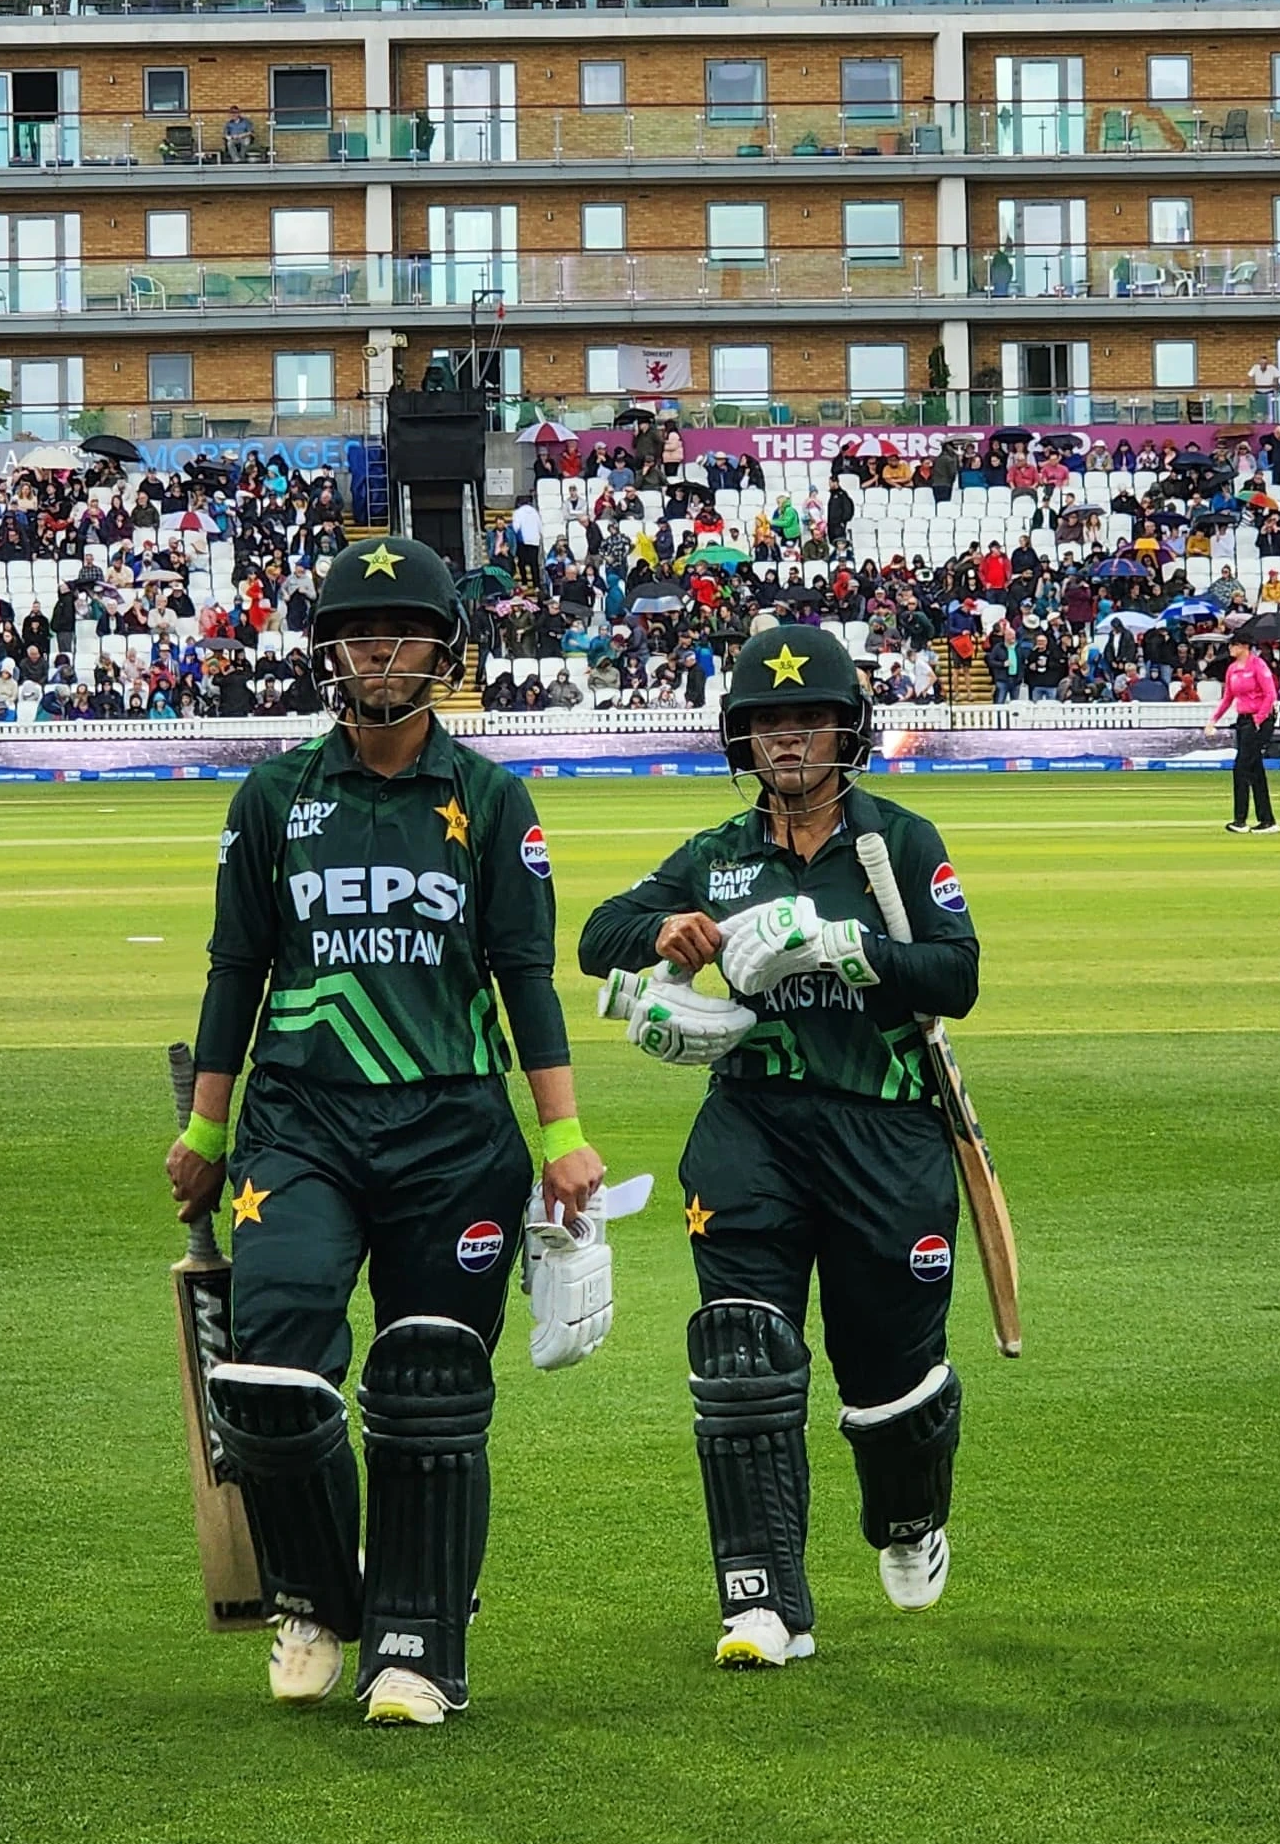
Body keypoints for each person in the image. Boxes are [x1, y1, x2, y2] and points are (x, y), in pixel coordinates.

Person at [161, 536, 601, 1729]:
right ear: (328, 655)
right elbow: (233, 970)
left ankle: (417, 1640)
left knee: (429, 1389)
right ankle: (312, 1593)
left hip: (455, 1129)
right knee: (268, 1366)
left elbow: (525, 977)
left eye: (404, 632)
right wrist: (207, 1124)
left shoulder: (491, 800)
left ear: (444, 652)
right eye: (360, 634)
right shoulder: (274, 798)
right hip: (298, 1124)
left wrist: (563, 1133)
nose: (381, 652)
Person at [575, 623, 983, 1670]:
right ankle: (760, 1598)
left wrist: (851, 949)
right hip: (750, 1127)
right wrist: (661, 936)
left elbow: (956, 978)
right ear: (741, 739)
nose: (789, 738)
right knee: (741, 1354)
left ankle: (907, 1515)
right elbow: (596, 935)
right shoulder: (716, 857)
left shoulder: (899, 841)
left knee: (886, 1377)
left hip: (883, 1129)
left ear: (847, 728)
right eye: (767, 722)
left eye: (807, 719)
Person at [1209, 632, 1280, 833]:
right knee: (1255, 769)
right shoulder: (1232, 669)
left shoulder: (1258, 665)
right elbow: (1227, 698)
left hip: (1260, 720)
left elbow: (1270, 695)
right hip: (1243, 720)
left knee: (1241, 768)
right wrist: (1213, 720)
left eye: (1233, 645)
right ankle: (1267, 820)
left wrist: (1258, 720)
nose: (1230, 648)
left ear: (1243, 646)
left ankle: (1240, 820)